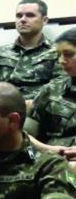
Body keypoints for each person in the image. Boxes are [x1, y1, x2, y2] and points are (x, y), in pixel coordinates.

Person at [0, 0, 65, 99]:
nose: (22, 19)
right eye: (19, 16)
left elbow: (60, 83)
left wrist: (32, 103)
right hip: (4, 106)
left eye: (30, 15)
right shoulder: (0, 52)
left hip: (40, 108)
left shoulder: (58, 51)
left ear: (44, 20)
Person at [26, 27, 76, 159]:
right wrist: (48, 149)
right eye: (59, 55)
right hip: (53, 164)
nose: (61, 61)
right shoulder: (52, 90)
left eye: (68, 54)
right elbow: (25, 134)